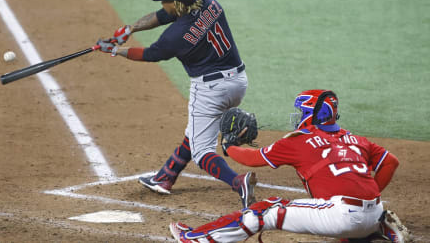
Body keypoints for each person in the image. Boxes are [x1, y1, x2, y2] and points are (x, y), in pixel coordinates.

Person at [96, 0, 256, 208]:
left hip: (211, 90)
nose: (162, 4)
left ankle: (237, 182)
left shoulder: (175, 36)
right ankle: (165, 177)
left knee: (202, 153)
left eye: (164, 0)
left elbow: (150, 54)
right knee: (196, 129)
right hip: (238, 81)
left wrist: (115, 50)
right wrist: (131, 29)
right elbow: (162, 16)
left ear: (176, 2)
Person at [169, 89, 410, 243]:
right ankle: (376, 229)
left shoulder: (300, 140)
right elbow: (390, 162)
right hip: (375, 211)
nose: (297, 117)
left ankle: (196, 239)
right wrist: (368, 201)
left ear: (312, 115)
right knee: (351, 215)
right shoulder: (356, 139)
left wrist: (229, 145)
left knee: (266, 210)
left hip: (342, 216)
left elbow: (253, 159)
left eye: (301, 112)